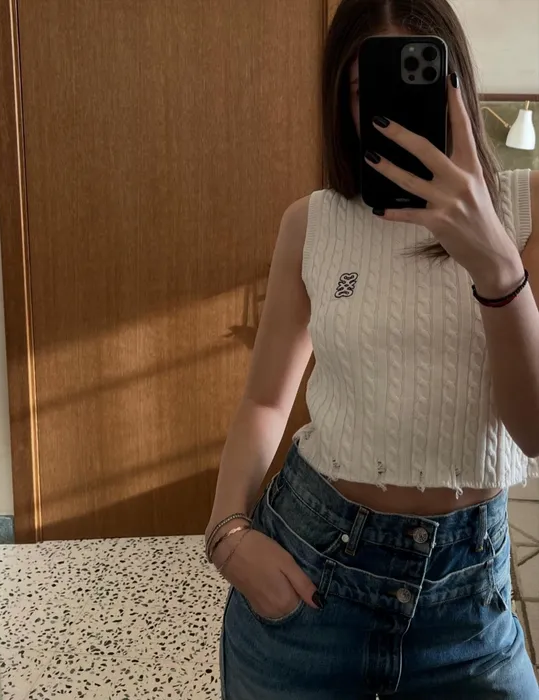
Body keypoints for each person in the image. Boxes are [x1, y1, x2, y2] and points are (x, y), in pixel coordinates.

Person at [206, 0, 539, 697]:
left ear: (458, 87)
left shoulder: (528, 209)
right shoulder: (312, 222)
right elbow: (265, 400)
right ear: (341, 103)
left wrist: (496, 267)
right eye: (367, 92)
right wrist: (226, 532)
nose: (395, 116)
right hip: (312, 574)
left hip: (468, 607)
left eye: (420, 85)